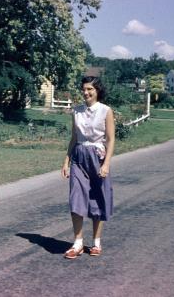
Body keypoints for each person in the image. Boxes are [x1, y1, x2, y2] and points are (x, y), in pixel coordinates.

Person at [61, 76, 115, 259]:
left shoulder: (105, 111)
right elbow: (74, 138)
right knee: (76, 197)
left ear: (97, 91)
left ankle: (96, 242)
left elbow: (110, 139)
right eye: (84, 89)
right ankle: (77, 243)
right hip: (79, 157)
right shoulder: (76, 112)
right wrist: (66, 161)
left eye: (90, 89)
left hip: (98, 157)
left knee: (97, 198)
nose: (86, 92)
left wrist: (106, 163)